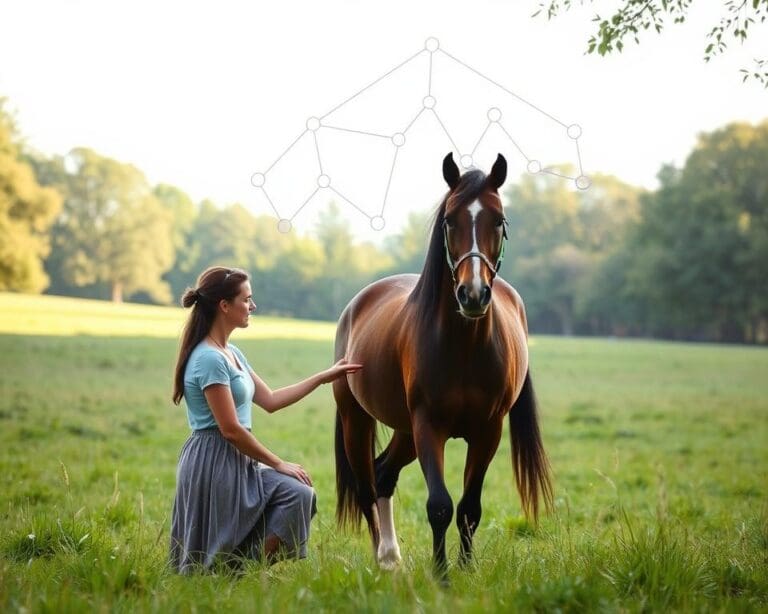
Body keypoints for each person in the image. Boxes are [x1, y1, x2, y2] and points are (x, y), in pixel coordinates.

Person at [170, 265, 361, 573]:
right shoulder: (208, 358)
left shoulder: (232, 352)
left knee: (298, 494)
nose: (253, 306)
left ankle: (239, 570)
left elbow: (270, 400)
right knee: (209, 556)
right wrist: (278, 463)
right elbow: (230, 429)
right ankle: (224, 574)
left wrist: (324, 377)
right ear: (225, 306)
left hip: (236, 457)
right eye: (247, 299)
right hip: (213, 459)